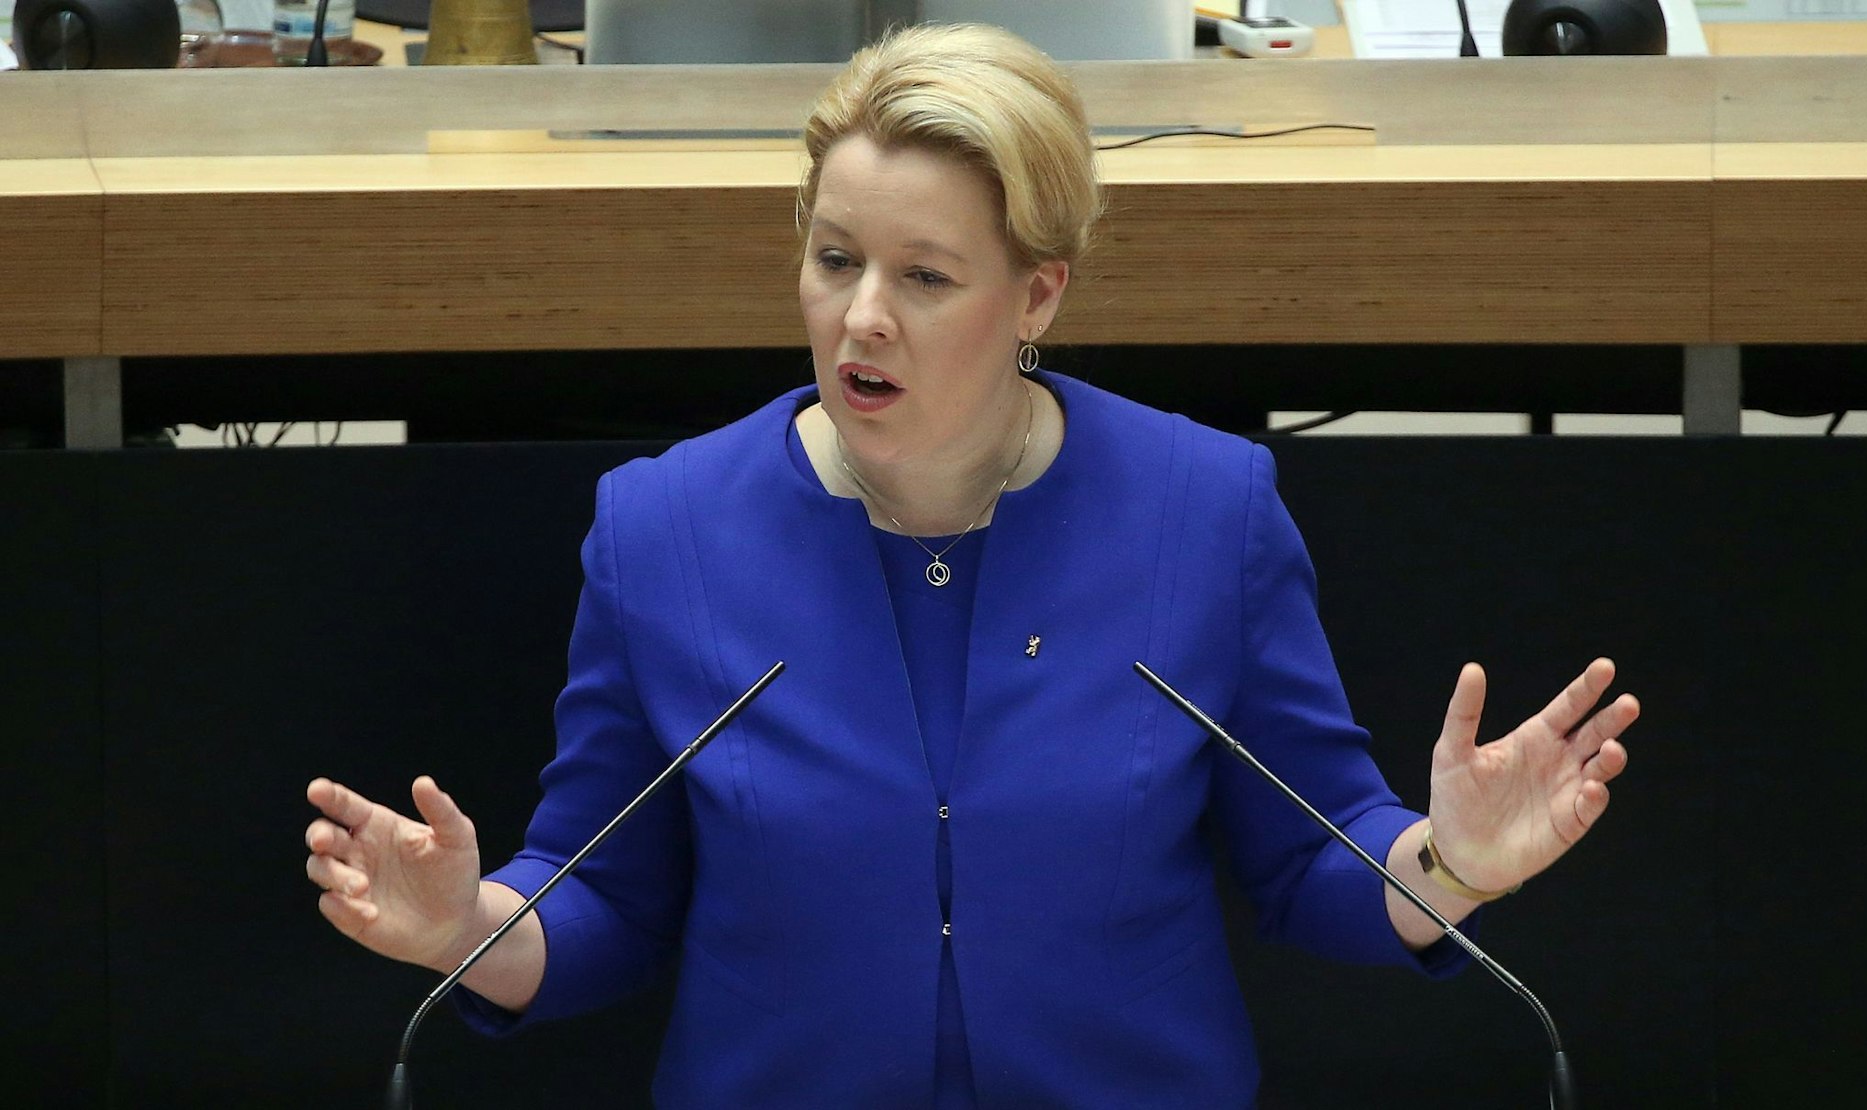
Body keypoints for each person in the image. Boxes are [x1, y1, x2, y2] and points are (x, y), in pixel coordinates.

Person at [304, 22, 1637, 1107]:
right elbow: (604, 892)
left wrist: (1452, 865)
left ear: (1038, 294)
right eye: (834, 260)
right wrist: (465, 928)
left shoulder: (1203, 510)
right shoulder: (667, 527)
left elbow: (1313, 860)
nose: (861, 317)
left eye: (926, 278)